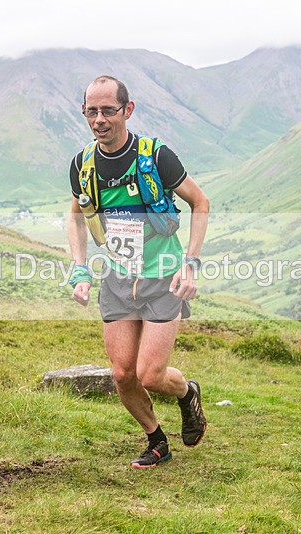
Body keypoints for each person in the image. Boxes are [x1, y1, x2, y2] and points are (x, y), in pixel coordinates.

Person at [66, 75, 210, 469]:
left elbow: (200, 202)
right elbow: (76, 218)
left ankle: (186, 393)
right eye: (91, 111)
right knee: (122, 373)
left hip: (164, 278)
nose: (99, 119)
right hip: (116, 279)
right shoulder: (83, 164)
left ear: (127, 110)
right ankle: (157, 440)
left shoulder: (156, 156)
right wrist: (79, 269)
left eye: (108, 110)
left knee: (150, 374)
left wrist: (190, 263)